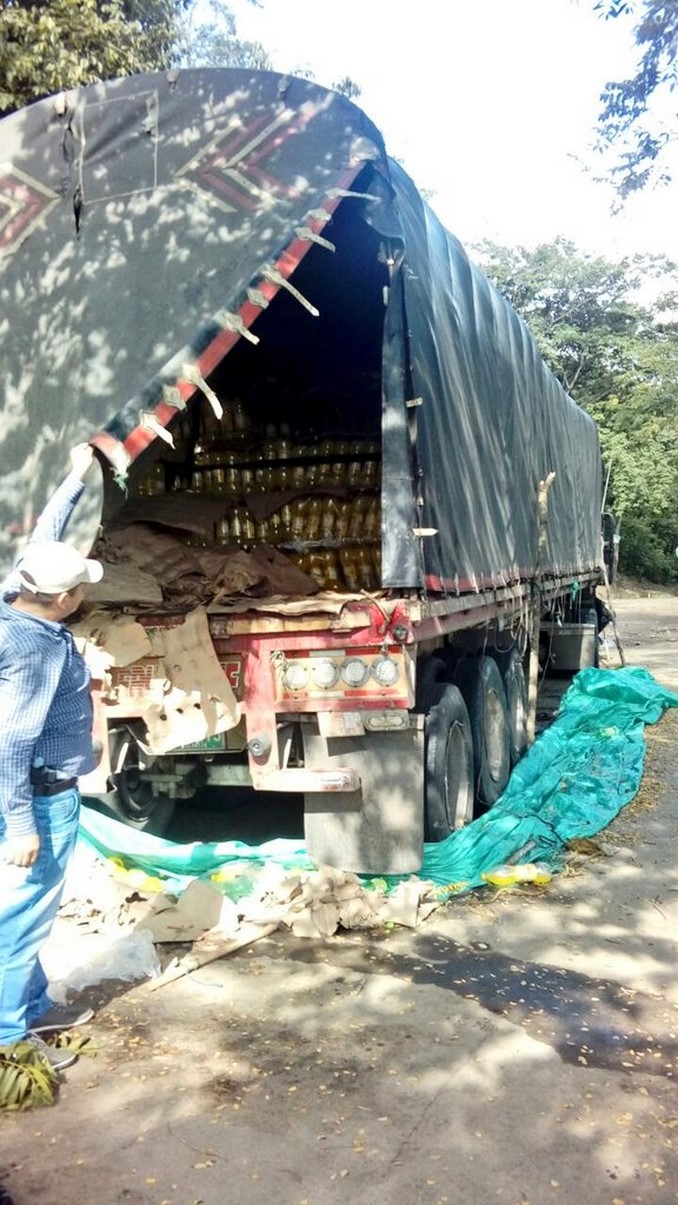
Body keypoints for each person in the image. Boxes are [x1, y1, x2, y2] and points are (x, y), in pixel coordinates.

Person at [0, 444, 104, 1072]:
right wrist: (22, 825)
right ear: (63, 600)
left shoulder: (14, 596)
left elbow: (44, 535)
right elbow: (12, 740)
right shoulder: (35, 651)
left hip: (24, 789)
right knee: (22, 915)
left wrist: (76, 476)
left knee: (28, 911)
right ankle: (8, 1039)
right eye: (80, 588)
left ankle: (32, 1006)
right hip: (36, 796)